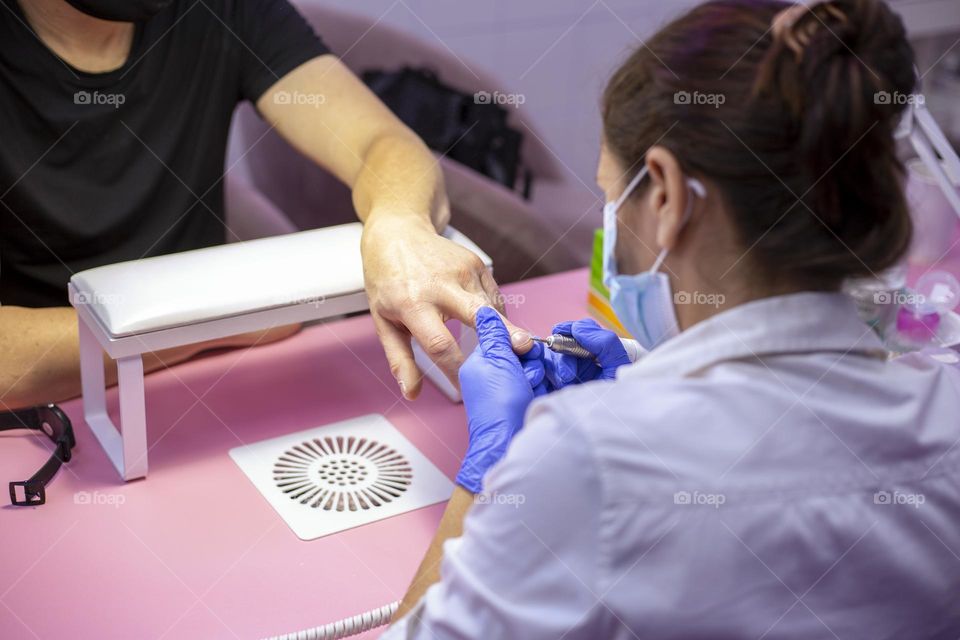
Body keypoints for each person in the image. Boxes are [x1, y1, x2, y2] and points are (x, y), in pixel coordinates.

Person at [383, 1, 960, 638]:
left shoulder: (587, 463)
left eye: (612, 196)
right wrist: (653, 376)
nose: (612, 220)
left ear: (665, 192)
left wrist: (490, 474)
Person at [0, 0, 523, 409]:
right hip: (45, 415)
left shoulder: (223, 10)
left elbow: (383, 145)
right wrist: (229, 322)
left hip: (211, 380)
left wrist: (401, 227)